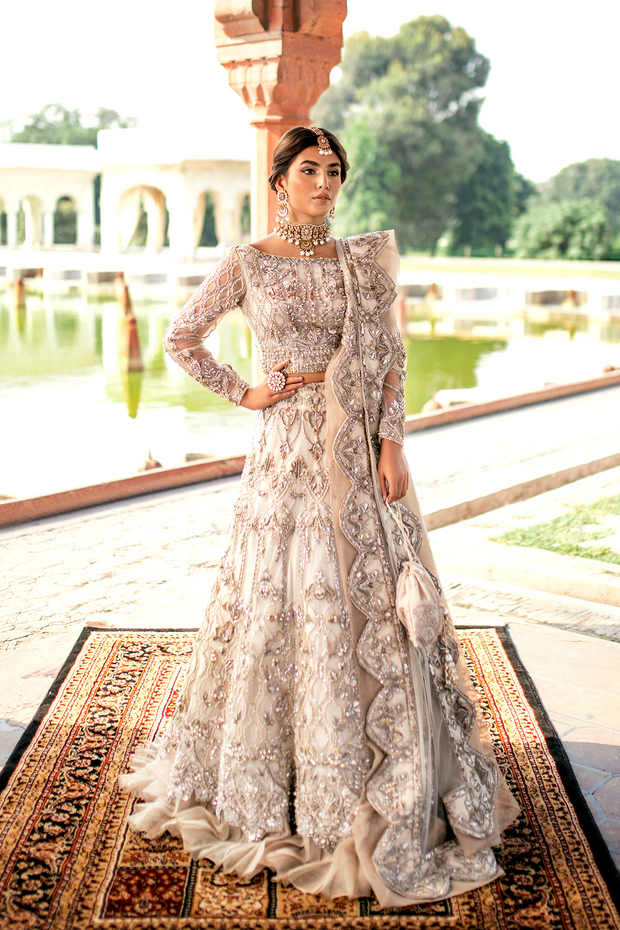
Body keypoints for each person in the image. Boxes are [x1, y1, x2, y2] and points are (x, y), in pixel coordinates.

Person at [119, 126, 519, 907]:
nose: (326, 183)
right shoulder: (248, 262)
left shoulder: (359, 262)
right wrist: (248, 391)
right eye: (310, 170)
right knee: (280, 606)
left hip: (353, 451)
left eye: (335, 171)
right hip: (282, 457)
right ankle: (278, 783)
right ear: (280, 180)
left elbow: (391, 357)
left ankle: (374, 775)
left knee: (358, 606)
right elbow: (182, 337)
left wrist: (392, 442)